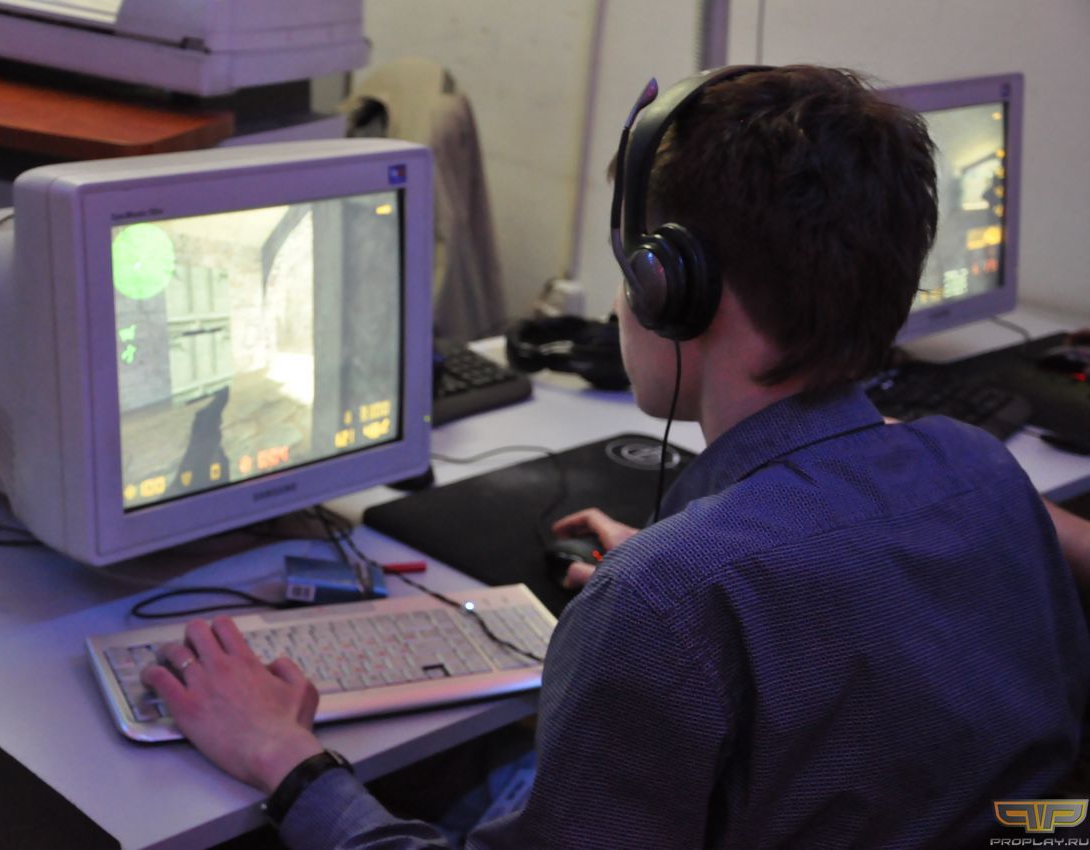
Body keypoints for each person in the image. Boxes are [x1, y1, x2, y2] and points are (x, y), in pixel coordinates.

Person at [142, 65, 1090, 848]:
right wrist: (695, 573)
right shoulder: (980, 471)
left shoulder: (663, 600)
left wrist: (284, 758)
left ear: (671, 288)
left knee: (433, 777)